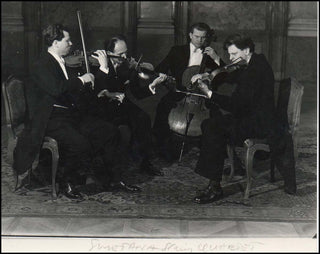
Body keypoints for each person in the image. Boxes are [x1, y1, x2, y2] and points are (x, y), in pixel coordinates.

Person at [13, 24, 139, 200]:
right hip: (49, 118)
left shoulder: (65, 62)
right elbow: (57, 89)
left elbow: (75, 91)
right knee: (79, 144)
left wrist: (97, 76)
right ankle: (67, 184)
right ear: (55, 42)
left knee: (110, 131)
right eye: (67, 40)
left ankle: (113, 179)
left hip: (69, 115)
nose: (71, 43)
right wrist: (81, 79)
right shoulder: (41, 63)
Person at [192, 34, 276, 204]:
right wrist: (208, 75)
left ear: (246, 50)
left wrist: (209, 93)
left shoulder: (256, 69)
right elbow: (231, 76)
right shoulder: (252, 62)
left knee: (213, 127)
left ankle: (214, 187)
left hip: (259, 124)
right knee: (210, 124)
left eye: (234, 54)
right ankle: (218, 178)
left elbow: (237, 105)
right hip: (250, 116)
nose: (231, 58)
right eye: (229, 54)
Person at [93, 35, 166, 176]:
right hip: (102, 108)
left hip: (121, 105)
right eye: (120, 54)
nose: (125, 57)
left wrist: (152, 84)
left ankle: (144, 163)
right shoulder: (97, 66)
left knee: (143, 118)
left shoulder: (126, 67)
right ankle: (109, 169)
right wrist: (104, 68)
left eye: (126, 52)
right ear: (109, 53)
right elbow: (97, 91)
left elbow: (137, 93)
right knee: (117, 130)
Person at [152, 22, 224, 162]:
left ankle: (212, 150)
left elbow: (224, 75)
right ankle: (161, 147)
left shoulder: (209, 54)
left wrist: (216, 58)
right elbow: (160, 68)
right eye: (197, 36)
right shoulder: (177, 50)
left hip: (201, 94)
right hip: (180, 91)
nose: (200, 40)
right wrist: (168, 80)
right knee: (163, 106)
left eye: (203, 37)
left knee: (216, 113)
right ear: (190, 35)